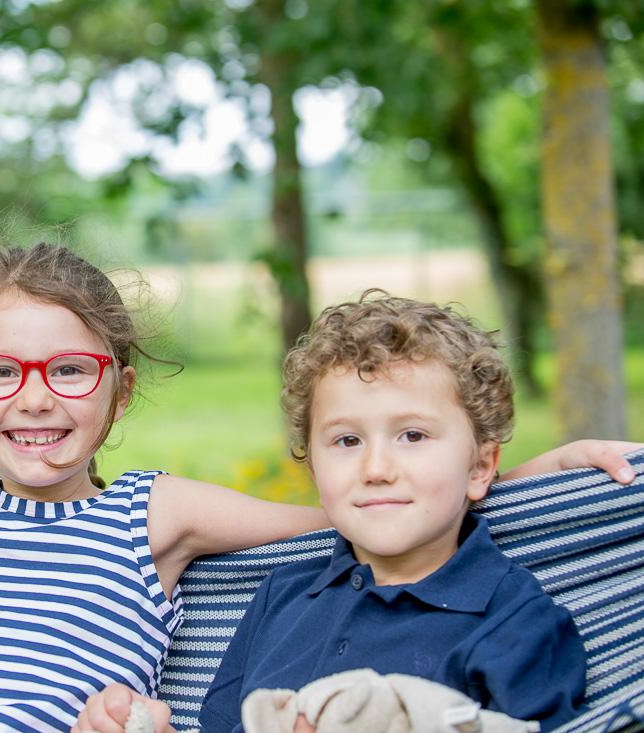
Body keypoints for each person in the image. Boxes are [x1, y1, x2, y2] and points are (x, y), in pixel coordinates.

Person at [0, 247, 636, 733]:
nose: (31, 400)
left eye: (69, 370)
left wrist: (523, 478)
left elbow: (359, 506)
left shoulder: (155, 508)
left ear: (118, 389)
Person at [75, 292, 604, 733]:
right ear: (313, 470)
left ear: (480, 466)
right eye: (347, 440)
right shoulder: (281, 597)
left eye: (413, 435)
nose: (375, 468)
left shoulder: (517, 621)